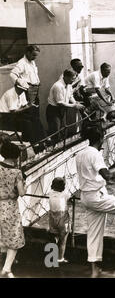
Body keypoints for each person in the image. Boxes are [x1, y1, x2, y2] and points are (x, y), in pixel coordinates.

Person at [75, 128, 115, 278]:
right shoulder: (95, 154)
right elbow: (107, 175)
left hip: (86, 196)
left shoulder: (80, 154)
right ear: (100, 138)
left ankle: (95, 270)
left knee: (94, 233)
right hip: (97, 196)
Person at [0, 142, 25, 278]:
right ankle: (6, 268)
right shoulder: (16, 172)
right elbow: (21, 193)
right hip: (9, 208)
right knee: (14, 237)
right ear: (16, 156)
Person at [0, 82, 45, 150]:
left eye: (24, 90)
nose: (22, 91)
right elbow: (13, 111)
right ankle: (34, 144)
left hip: (14, 115)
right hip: (5, 117)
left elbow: (23, 106)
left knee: (35, 119)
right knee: (27, 123)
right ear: (16, 87)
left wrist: (29, 106)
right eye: (21, 89)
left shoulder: (21, 92)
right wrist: (27, 107)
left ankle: (42, 140)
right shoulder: (10, 94)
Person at [47, 69, 85, 143]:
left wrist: (76, 103)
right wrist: (74, 106)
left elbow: (70, 96)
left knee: (63, 130)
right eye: (72, 79)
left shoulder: (69, 84)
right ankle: (55, 147)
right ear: (66, 77)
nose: (73, 81)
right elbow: (60, 103)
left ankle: (60, 145)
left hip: (63, 109)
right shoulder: (58, 86)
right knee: (56, 131)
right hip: (54, 110)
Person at [48, 177, 71, 264]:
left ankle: (52, 257)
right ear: (63, 187)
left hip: (52, 216)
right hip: (62, 217)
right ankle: (60, 258)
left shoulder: (50, 193)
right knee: (63, 240)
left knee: (54, 237)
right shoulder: (65, 195)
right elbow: (69, 196)